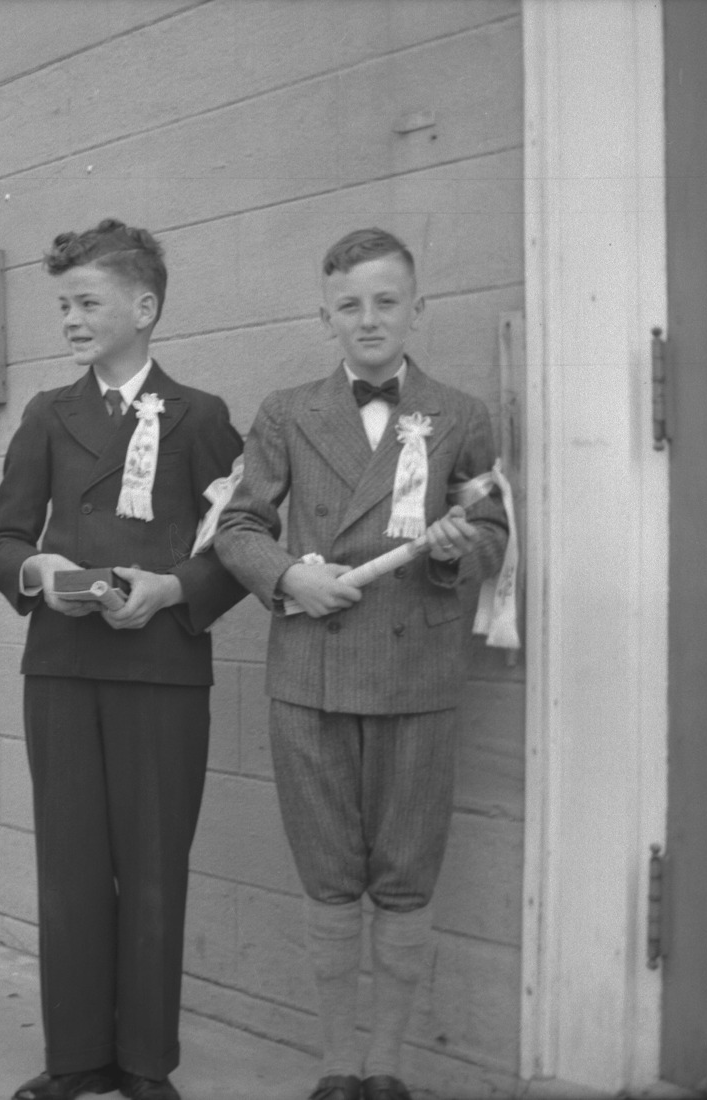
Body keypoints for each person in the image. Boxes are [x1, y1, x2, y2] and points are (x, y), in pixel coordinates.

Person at [213, 228, 509, 1100]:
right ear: (325, 316)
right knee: (330, 877)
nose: (369, 319)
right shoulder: (286, 412)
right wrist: (291, 576)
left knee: (407, 876)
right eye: (351, 305)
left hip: (417, 677)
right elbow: (238, 529)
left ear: (419, 308)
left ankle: (390, 1066)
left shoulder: (459, 415)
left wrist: (458, 547)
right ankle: (338, 1063)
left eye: (387, 301)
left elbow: (493, 532)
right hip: (311, 674)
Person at [0, 219, 247, 1100]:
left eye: (86, 302)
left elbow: (240, 540)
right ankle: (75, 1059)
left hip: (162, 673)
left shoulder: (201, 417)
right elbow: (3, 535)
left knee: (154, 865)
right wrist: (36, 567)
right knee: (70, 867)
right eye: (63, 305)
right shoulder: (47, 415)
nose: (70, 320)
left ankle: (144, 1064)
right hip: (61, 669)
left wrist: (172, 591)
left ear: (145, 307)